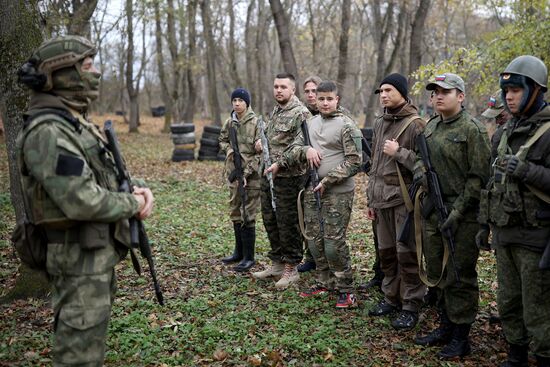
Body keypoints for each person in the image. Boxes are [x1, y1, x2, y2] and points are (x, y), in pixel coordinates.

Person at [16, 35, 154, 366]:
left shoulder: (72, 123)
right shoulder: (48, 132)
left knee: (90, 348)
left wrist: (134, 188)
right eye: (88, 67)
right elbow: (80, 199)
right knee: (78, 356)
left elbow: (96, 176)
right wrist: (132, 205)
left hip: (92, 257)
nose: (95, 73)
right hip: (76, 260)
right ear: (62, 74)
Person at [478, 55, 550, 367]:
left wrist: (526, 170)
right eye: (506, 91)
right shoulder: (504, 132)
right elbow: (489, 185)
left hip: (536, 236)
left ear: (535, 90)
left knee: (538, 307)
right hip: (505, 232)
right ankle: (517, 354)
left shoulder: (547, 132)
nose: (509, 96)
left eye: (516, 90)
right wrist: (484, 224)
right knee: (508, 301)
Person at [413, 73, 490, 359]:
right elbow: (420, 157)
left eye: (445, 91)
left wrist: (456, 212)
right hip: (434, 210)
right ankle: (445, 327)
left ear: (461, 96)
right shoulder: (431, 127)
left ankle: (461, 337)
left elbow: (479, 178)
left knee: (460, 275)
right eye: (434, 92)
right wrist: (420, 172)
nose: (438, 96)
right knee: (437, 272)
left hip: (464, 216)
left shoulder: (473, 130)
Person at [268, 80, 362, 307]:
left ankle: (346, 290)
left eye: (329, 99)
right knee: (314, 241)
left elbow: (355, 161)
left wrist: (329, 180)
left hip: (337, 192)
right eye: (321, 99)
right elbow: (293, 149)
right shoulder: (310, 123)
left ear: (337, 100)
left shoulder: (347, 125)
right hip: (312, 189)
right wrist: (305, 150)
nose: (325, 102)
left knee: (333, 243)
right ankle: (323, 282)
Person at [366, 73, 426, 329]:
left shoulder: (416, 124)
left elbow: (425, 166)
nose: (384, 95)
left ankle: (411, 305)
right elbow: (375, 167)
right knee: (387, 254)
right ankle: (391, 298)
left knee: (407, 255)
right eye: (381, 91)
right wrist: (370, 199)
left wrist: (399, 153)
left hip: (404, 202)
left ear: (402, 92)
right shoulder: (380, 122)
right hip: (381, 200)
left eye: (389, 90)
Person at [251, 73, 311, 289]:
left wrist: (280, 164)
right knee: (270, 220)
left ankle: (291, 267)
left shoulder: (301, 113)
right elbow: (272, 138)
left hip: (289, 178)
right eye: (276, 86)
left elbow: (300, 146)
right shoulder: (277, 110)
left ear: (292, 90)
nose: (278, 90)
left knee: (288, 224)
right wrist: (261, 141)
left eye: (283, 87)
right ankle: (277, 263)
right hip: (269, 176)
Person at [219, 88, 261, 272]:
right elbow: (222, 140)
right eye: (234, 100)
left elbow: (260, 155)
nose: (237, 103)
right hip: (234, 175)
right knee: (235, 212)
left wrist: (247, 173)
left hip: (251, 177)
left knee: (248, 214)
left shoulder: (257, 123)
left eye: (240, 100)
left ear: (247, 103)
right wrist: (229, 151)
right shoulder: (230, 122)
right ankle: (238, 252)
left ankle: (249, 257)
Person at [297, 75, 322, 273]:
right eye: (308, 91)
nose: (311, 95)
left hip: (327, 174)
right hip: (304, 175)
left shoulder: (334, 112)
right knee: (308, 219)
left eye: (315, 91)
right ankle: (310, 257)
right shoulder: (301, 115)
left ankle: (326, 259)